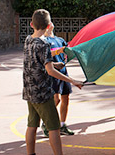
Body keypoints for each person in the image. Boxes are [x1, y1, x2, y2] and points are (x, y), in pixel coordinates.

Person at [23, 9, 83, 155]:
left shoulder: (28, 40)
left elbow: (37, 63)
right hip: (43, 93)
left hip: (29, 91)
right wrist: (73, 81)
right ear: (49, 25)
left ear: (31, 24)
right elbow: (49, 71)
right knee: (54, 128)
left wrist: (54, 64)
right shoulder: (44, 44)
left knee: (32, 125)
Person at [40, 22, 75, 136]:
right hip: (53, 73)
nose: (50, 23)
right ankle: (46, 123)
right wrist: (55, 64)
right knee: (56, 99)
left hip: (63, 72)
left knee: (66, 97)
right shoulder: (44, 41)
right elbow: (45, 56)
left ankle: (62, 125)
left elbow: (68, 52)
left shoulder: (60, 40)